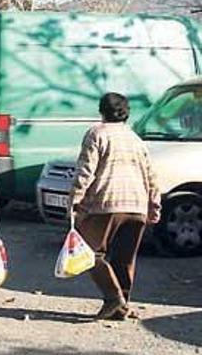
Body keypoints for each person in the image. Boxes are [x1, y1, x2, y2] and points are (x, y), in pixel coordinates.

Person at [70, 93, 160, 321]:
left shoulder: (96, 134)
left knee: (88, 253)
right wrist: (154, 204)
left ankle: (113, 298)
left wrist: (75, 201)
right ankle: (122, 306)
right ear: (126, 113)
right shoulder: (135, 139)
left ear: (101, 111)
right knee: (124, 259)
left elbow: (85, 172)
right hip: (137, 205)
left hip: (106, 203)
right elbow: (150, 175)